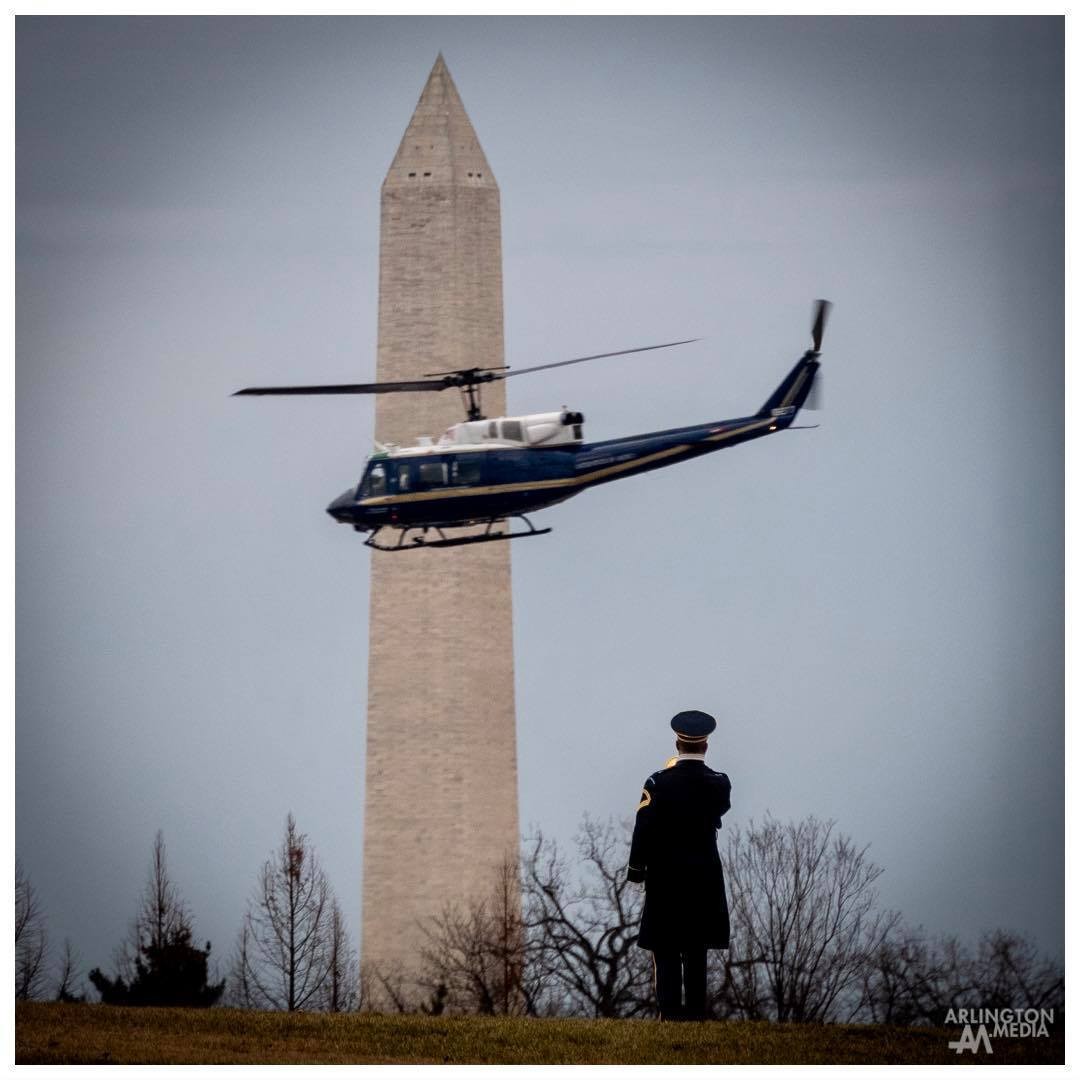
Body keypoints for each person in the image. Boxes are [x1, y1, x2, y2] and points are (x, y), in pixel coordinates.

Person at [626, 709, 732, 1021]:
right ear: (706, 746)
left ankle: (669, 1013)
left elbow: (643, 825)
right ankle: (696, 1013)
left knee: (666, 946)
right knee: (696, 947)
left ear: (677, 744)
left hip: (666, 875)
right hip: (704, 876)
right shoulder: (719, 783)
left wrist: (636, 869)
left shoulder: (658, 783)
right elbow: (719, 808)